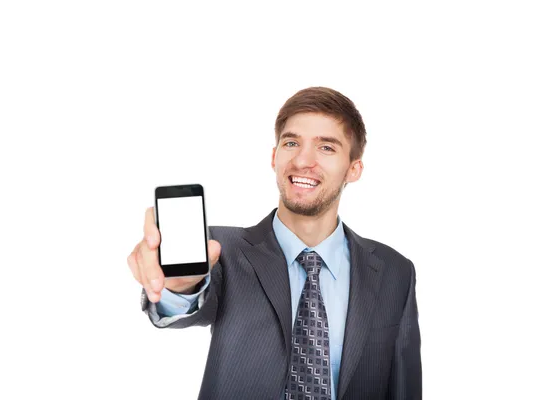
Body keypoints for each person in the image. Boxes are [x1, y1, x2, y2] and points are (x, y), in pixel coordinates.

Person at [127, 87, 422, 400]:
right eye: (292, 143)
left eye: (326, 147)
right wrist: (179, 286)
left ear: (354, 169)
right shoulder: (221, 250)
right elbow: (189, 298)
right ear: (274, 156)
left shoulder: (394, 271)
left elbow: (403, 385)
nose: (303, 160)